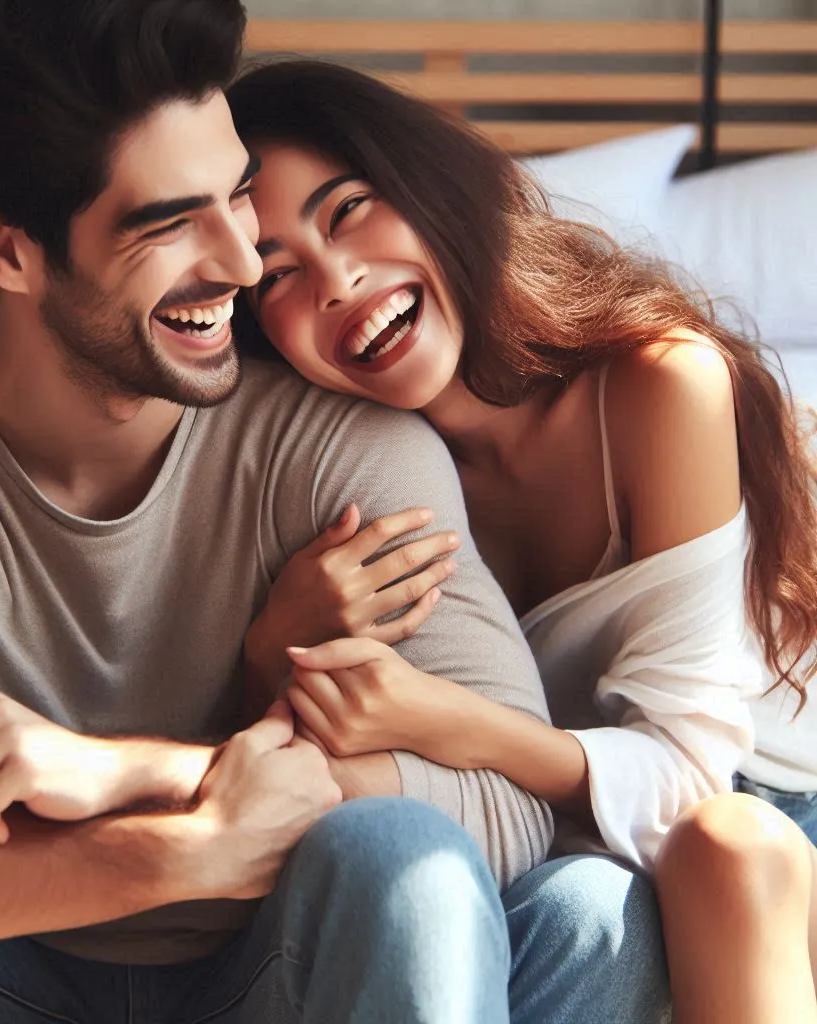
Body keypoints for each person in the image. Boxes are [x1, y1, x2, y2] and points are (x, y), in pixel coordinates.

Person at [0, 2, 676, 1022]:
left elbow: (511, 803)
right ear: (4, 248)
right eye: (171, 222)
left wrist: (133, 776)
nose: (245, 262)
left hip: (285, 970)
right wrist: (162, 854)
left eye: (238, 196)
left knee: (559, 901)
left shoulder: (339, 449)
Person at [226, 59, 817, 1024]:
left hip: (757, 822)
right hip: (552, 845)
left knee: (726, 847)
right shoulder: (338, 470)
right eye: (279, 274)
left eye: (349, 211)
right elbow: (289, 777)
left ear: (427, 188)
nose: (337, 282)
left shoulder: (657, 387)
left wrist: (447, 722)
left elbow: (694, 781)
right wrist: (269, 650)